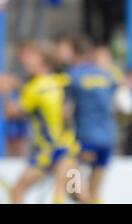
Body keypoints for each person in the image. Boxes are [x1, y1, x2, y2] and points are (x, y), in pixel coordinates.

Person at [0, 41, 79, 204]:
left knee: (18, 190)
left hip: (48, 152)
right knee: (76, 193)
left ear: (41, 61)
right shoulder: (61, 80)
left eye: (29, 61)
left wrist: (6, 92)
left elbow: (11, 113)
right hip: (69, 147)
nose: (26, 65)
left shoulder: (34, 88)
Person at [65, 37, 118, 203]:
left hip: (87, 138)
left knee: (72, 186)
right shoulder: (106, 75)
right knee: (94, 192)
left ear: (73, 53)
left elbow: (65, 111)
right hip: (108, 139)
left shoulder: (73, 76)